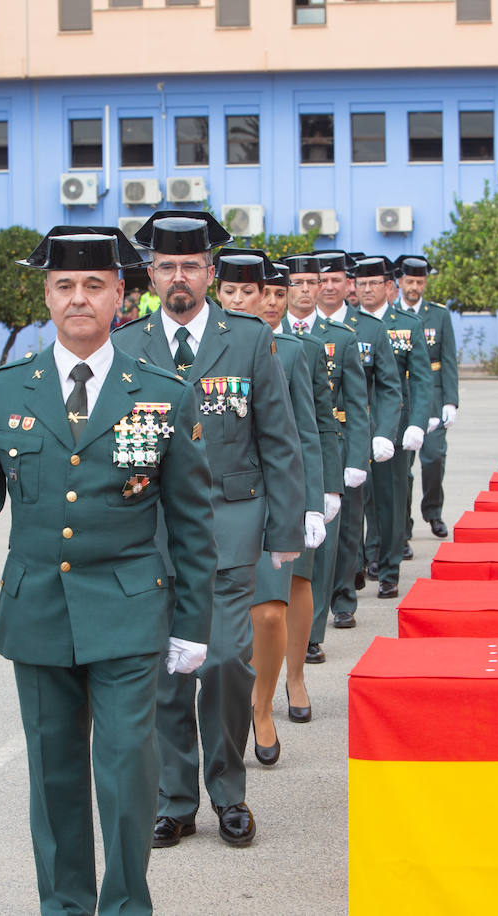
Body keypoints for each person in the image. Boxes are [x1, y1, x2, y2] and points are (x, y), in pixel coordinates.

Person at [0, 226, 217, 915]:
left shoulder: (160, 392)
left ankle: (126, 906)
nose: (78, 298)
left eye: (94, 285)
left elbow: (191, 521)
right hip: (35, 614)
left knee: (126, 772)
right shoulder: (2, 393)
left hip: (127, 610)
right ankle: (63, 908)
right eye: (64, 286)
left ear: (122, 294)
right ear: (47, 296)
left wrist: (194, 623)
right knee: (54, 777)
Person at [112, 211, 304, 851]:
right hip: (154, 534)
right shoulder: (128, 346)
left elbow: (278, 438)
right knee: (168, 667)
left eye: (191, 266)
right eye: (166, 267)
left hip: (232, 523)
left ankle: (229, 791)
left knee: (224, 660)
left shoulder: (247, 339)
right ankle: (174, 798)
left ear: (210, 274)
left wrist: (286, 523)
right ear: (150, 276)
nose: (178, 278)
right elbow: (122, 448)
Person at [214, 248, 329, 768]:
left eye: (250, 291)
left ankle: (263, 705)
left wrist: (310, 501)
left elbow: (302, 432)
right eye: (230, 291)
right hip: (208, 503)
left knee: (266, 613)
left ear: (267, 297)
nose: (240, 300)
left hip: (264, 499)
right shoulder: (201, 346)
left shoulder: (288, 350)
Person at [279, 253, 369, 669]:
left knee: (317, 554)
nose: (302, 290)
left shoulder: (338, 339)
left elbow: (342, 409)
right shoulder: (258, 337)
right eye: (292, 283)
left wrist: (340, 471)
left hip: (318, 449)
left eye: (308, 283)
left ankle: (311, 636)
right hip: (272, 460)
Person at [309, 250, 400, 632]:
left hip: (347, 436)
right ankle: (311, 602)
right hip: (307, 437)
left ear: (349, 285)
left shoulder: (368, 329)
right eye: (321, 280)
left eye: (336, 280)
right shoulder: (295, 329)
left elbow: (386, 389)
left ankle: (343, 597)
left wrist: (376, 438)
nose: (329, 287)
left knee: (348, 527)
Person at [354, 256, 433, 600]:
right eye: (361, 284)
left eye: (374, 283)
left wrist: (416, 423)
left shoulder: (406, 324)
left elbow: (421, 379)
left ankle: (388, 568)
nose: (367, 289)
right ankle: (362, 560)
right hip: (356, 425)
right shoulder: (348, 325)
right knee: (358, 500)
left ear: (388, 287)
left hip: (394, 426)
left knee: (389, 501)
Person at [397, 256, 458, 541]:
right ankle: (404, 521)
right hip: (401, 395)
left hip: (432, 394)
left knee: (434, 458)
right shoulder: (391, 314)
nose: (414, 287)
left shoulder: (439, 315)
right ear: (399, 282)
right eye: (409, 281)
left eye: (419, 282)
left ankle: (433, 512)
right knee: (402, 467)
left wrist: (450, 401)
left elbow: (448, 360)